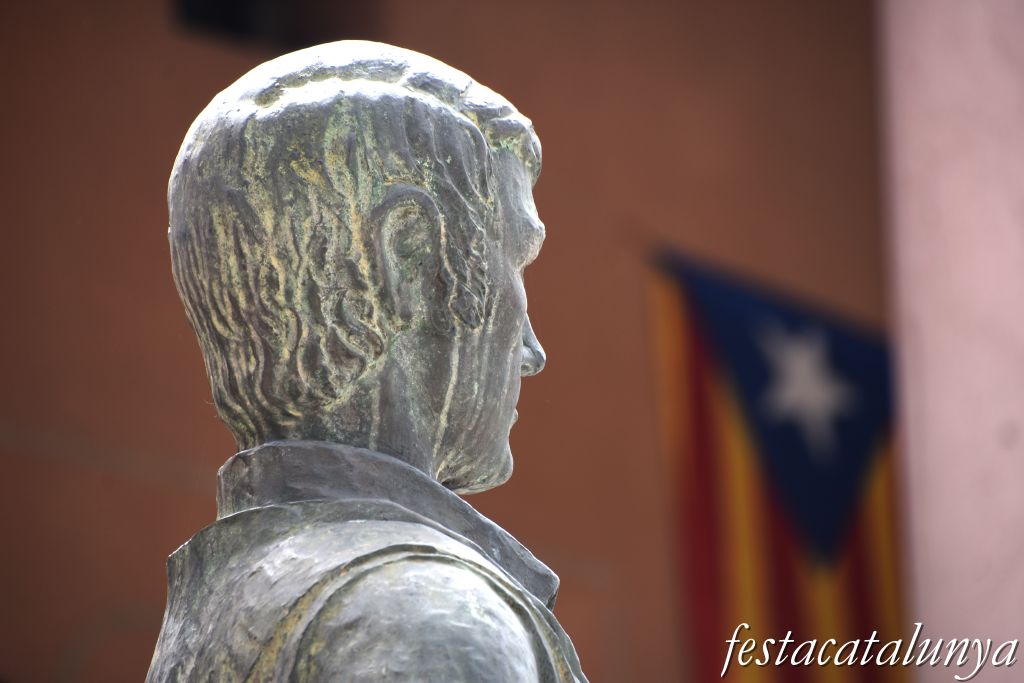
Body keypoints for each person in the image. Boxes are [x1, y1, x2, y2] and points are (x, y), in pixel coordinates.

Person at [147, 40, 586, 682]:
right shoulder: (431, 618)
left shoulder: (216, 605)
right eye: (516, 260)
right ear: (409, 252)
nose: (531, 351)